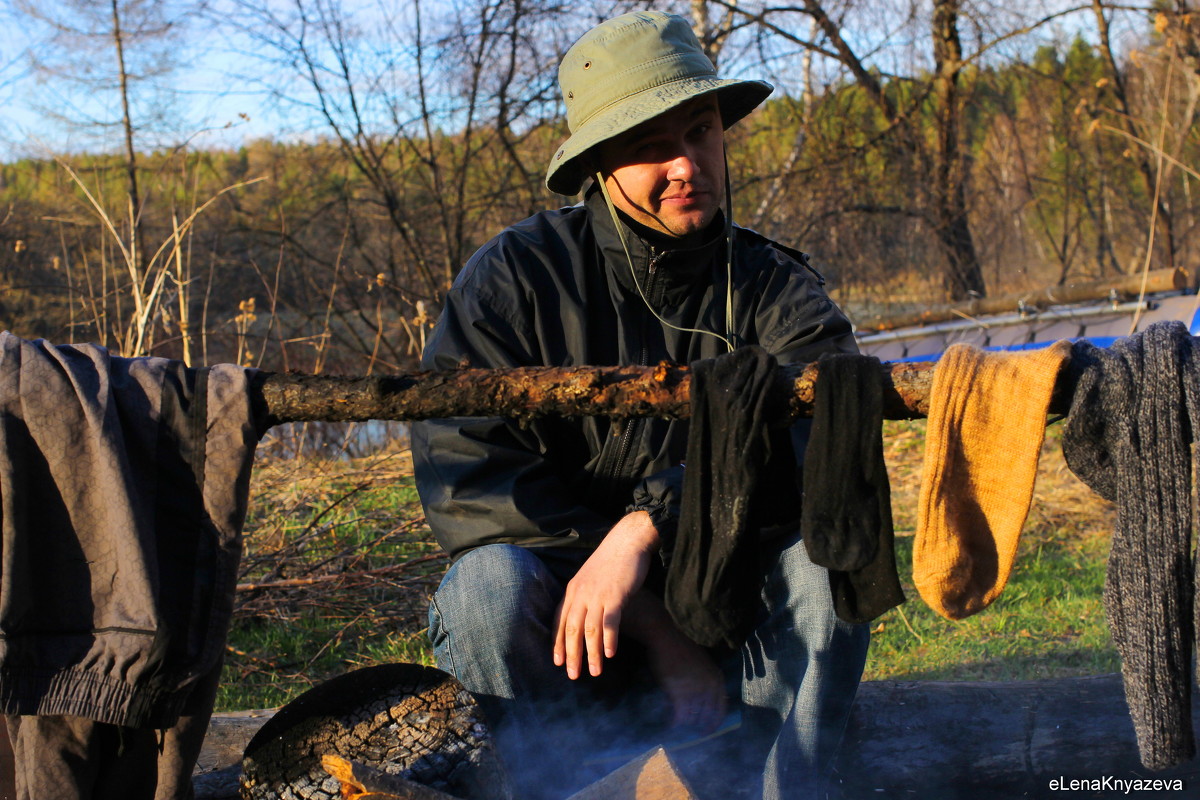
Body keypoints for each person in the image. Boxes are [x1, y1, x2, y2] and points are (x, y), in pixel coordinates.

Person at [412, 10, 868, 800]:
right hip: (565, 641)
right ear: (599, 166)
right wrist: (654, 629)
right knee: (486, 588)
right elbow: (470, 477)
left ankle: (782, 783)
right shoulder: (514, 281)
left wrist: (649, 525)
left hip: (738, 639)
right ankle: (541, 787)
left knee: (828, 561)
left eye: (699, 130)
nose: (686, 163)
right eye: (651, 146)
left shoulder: (776, 288)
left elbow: (824, 450)